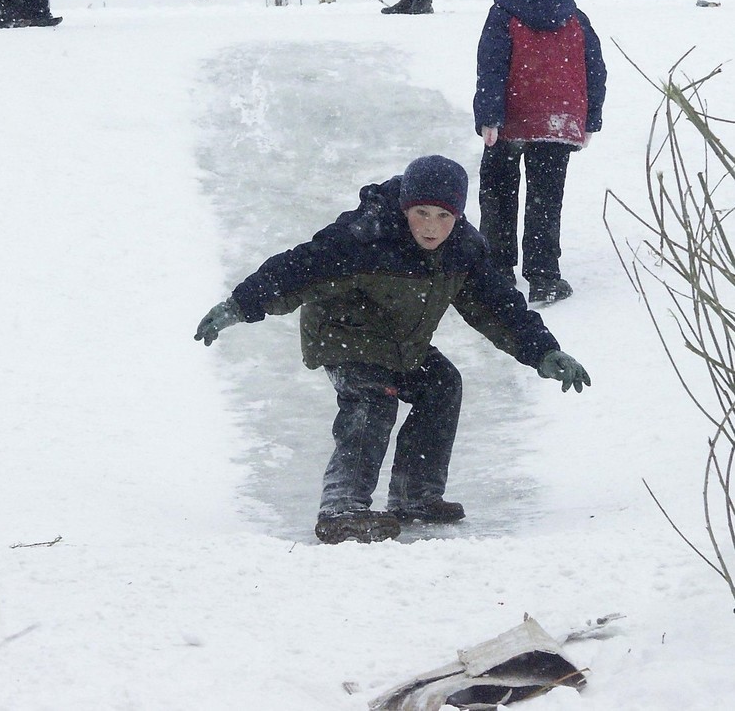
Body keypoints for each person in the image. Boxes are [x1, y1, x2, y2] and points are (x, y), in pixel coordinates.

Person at [194, 154, 591, 545]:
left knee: (442, 385)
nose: (432, 227)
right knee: (372, 399)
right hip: (344, 335)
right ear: (404, 208)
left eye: (443, 216)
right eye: (421, 212)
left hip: (402, 344)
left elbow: (500, 308)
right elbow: (297, 269)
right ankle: (342, 507)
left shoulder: (463, 251)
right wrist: (240, 306)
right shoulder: (365, 237)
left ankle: (414, 495)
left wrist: (543, 352)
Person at [474, 0, 607, 303]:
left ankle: (497, 272)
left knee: (498, 191)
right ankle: (544, 275)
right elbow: (594, 68)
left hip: (511, 118)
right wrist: (589, 118)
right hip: (559, 122)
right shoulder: (574, 14)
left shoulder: (504, 11)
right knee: (546, 198)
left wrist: (488, 117)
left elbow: (491, 67)